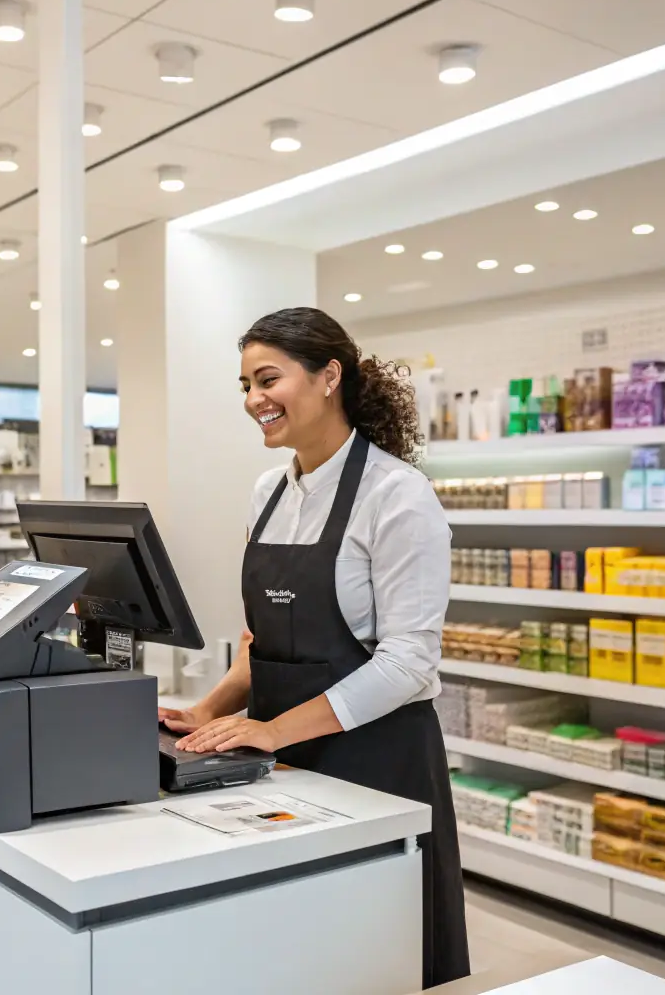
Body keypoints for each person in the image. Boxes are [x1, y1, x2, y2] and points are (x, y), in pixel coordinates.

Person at [159, 306, 468, 988]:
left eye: (266, 379)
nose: (252, 401)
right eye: (243, 386)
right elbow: (262, 644)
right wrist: (207, 711)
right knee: (291, 954)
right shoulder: (267, 493)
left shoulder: (397, 496)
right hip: (284, 762)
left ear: (329, 376)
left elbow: (408, 663)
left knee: (365, 957)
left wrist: (269, 730)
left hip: (375, 758)